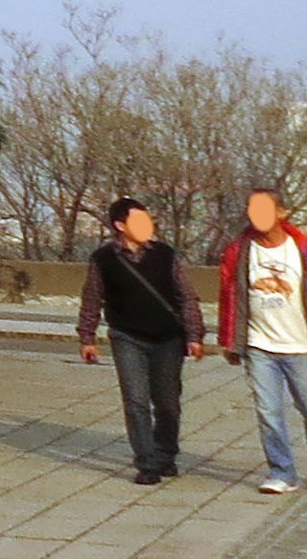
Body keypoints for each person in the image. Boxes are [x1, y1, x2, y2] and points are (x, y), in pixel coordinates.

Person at [78, 199, 205, 484]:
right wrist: (87, 337)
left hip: (167, 338)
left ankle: (166, 453)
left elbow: (186, 295)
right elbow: (92, 298)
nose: (147, 227)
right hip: (127, 336)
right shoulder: (103, 259)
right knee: (136, 401)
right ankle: (146, 463)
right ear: (120, 226)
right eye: (139, 222)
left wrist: (195, 335)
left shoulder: (165, 255)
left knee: (167, 402)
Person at [216, 186, 307, 496]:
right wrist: (230, 340)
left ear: (281, 213)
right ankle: (282, 472)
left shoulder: (301, 248)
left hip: (301, 345)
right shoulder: (239, 250)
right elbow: (229, 296)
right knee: (268, 411)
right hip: (260, 345)